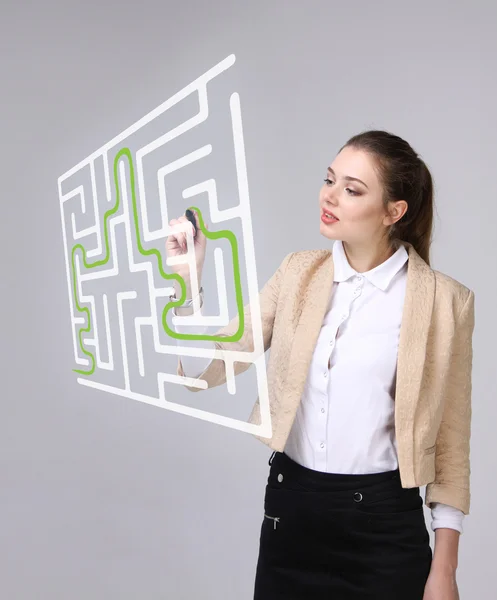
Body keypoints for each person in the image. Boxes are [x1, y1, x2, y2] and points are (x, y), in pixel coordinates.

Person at [165, 130, 475, 600]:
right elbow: (216, 364)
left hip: (384, 529)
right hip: (292, 514)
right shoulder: (297, 273)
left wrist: (445, 569)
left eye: (352, 189)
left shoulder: (444, 301)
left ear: (394, 212)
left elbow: (452, 443)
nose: (329, 196)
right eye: (329, 179)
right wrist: (187, 283)